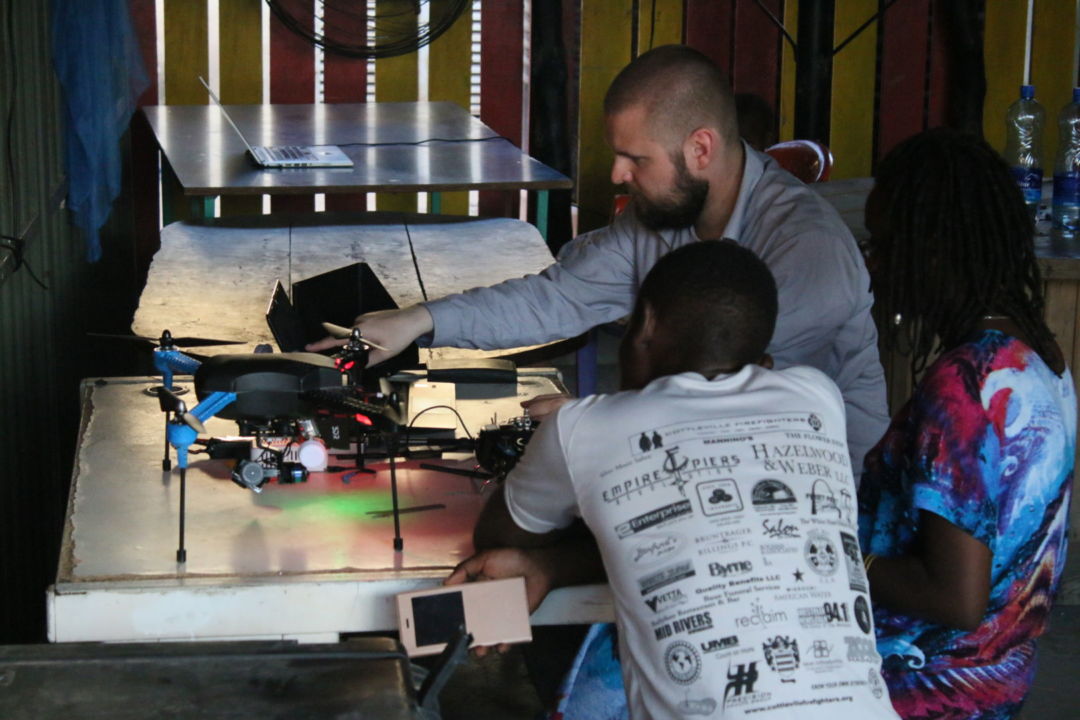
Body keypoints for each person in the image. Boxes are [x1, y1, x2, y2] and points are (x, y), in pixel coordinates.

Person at [309, 44, 888, 477]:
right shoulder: (661, 219)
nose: (616, 174)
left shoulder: (809, 249)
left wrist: (595, 418)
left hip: (830, 495)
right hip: (702, 471)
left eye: (635, 158)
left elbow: (729, 395)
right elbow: (556, 298)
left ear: (700, 148)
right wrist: (419, 321)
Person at [448, 240, 900, 720]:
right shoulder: (818, 398)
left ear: (643, 325)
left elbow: (501, 537)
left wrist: (567, 443)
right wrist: (554, 567)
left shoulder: (582, 428)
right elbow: (705, 536)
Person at [857, 129, 1077, 719]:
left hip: (919, 688)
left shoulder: (965, 386)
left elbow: (954, 596)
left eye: (883, 245)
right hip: (996, 680)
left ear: (932, 250)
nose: (873, 264)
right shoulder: (1035, 355)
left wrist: (831, 554)